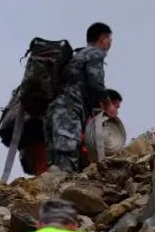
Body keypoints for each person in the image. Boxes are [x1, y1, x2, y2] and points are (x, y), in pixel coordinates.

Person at [45, 23, 112, 172]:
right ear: (103, 38)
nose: (110, 44)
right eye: (110, 40)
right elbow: (96, 82)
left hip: (54, 110)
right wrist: (108, 103)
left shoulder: (77, 56)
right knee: (67, 162)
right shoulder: (95, 53)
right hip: (68, 111)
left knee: (55, 164)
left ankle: (52, 192)